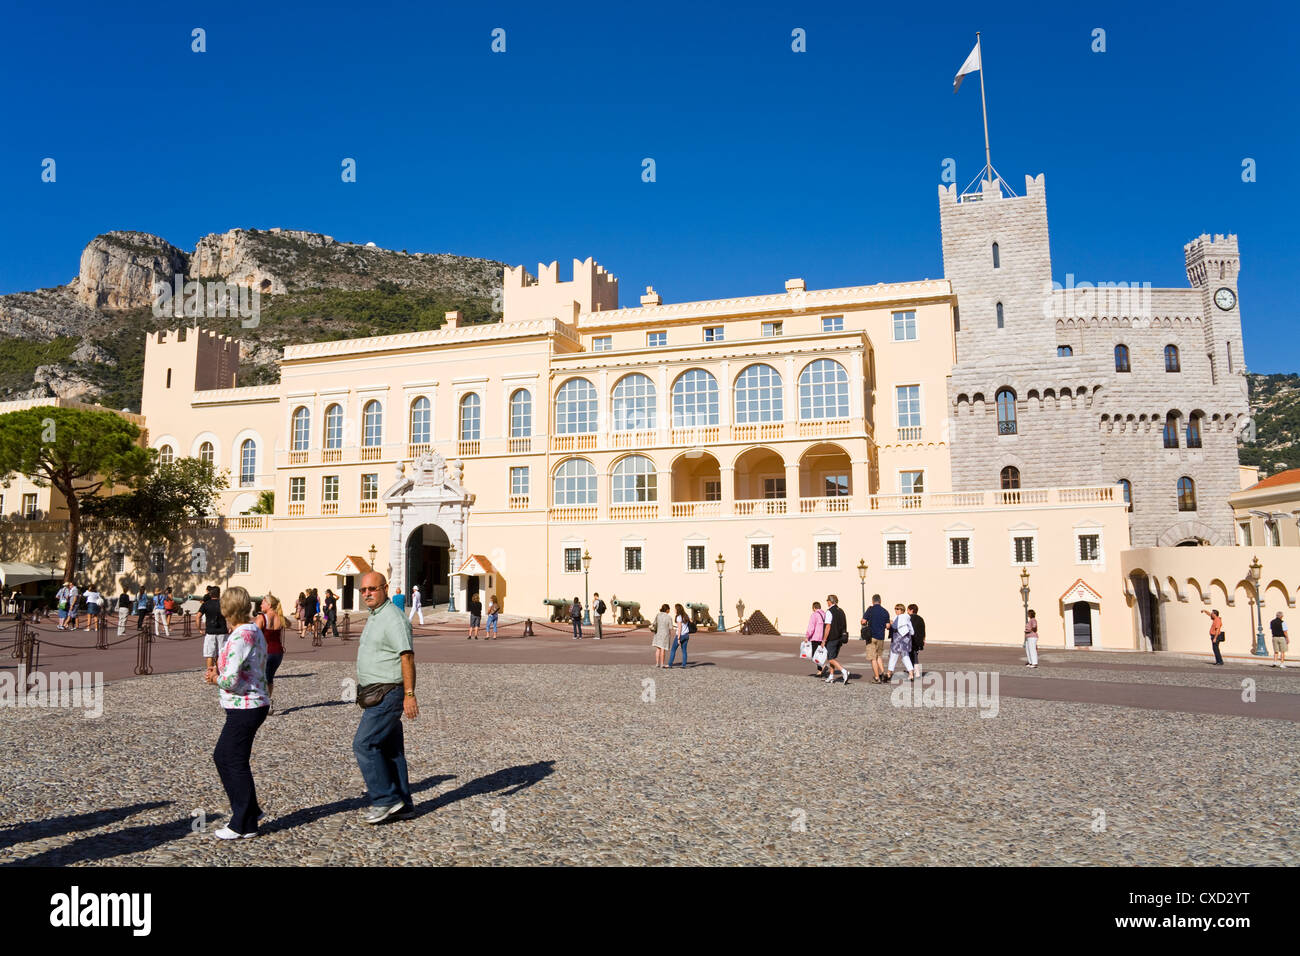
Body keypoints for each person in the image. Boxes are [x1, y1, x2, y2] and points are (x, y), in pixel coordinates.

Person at [204, 584, 269, 839]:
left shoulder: (242, 634)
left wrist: (215, 679)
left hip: (246, 705)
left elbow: (231, 680)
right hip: (252, 703)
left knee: (227, 758)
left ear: (226, 609)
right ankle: (251, 812)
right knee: (232, 758)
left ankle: (243, 823)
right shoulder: (254, 629)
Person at [353, 571, 417, 824]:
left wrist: (410, 694)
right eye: (363, 590)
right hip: (377, 692)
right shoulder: (376, 615)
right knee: (391, 750)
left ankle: (386, 799)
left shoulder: (393, 618)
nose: (367, 593)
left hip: (388, 692)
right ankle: (404, 804)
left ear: (385, 588)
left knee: (364, 744)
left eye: (372, 589)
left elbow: (407, 656)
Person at [255, 593, 286, 704]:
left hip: (266, 651)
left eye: (263, 603)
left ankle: (262, 702)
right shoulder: (280, 617)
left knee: (259, 677)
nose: (260, 605)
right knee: (269, 677)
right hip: (278, 652)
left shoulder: (261, 617)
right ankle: (268, 701)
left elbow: (255, 635)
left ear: (269, 604)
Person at [822, 594, 851, 685]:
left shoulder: (829, 611)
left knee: (830, 659)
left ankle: (844, 671)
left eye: (827, 600)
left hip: (832, 638)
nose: (827, 602)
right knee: (832, 657)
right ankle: (831, 676)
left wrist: (824, 640)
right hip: (840, 637)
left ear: (830, 601)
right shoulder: (841, 611)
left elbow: (828, 627)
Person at [862, 594, 890, 684]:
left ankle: (877, 678)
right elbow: (888, 626)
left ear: (872, 601)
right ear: (880, 601)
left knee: (873, 658)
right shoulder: (885, 611)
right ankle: (883, 673)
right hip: (881, 637)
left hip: (871, 637)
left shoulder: (870, 610)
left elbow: (863, 621)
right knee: (879, 656)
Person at [885, 603, 917, 682]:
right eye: (895, 609)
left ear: (902, 610)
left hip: (898, 639)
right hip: (906, 639)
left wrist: (891, 623)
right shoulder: (907, 617)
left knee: (893, 656)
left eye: (898, 609)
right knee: (905, 656)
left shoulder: (899, 617)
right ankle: (911, 673)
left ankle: (889, 673)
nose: (896, 610)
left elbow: (895, 626)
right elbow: (912, 630)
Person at [201, 586, 228, 675]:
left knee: (210, 655)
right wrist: (230, 626)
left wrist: (199, 628)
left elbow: (198, 616)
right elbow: (229, 615)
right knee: (221, 654)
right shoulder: (224, 604)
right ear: (219, 594)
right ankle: (220, 673)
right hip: (222, 631)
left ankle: (210, 674)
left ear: (210, 594)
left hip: (210, 631)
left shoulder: (206, 604)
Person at [806, 601, 826, 676]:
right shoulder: (824, 614)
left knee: (814, 655)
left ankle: (822, 667)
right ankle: (820, 671)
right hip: (823, 638)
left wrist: (807, 636)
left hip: (815, 638)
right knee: (819, 654)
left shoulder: (814, 615)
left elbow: (811, 627)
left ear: (814, 608)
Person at [669, 603, 691, 668]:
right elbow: (691, 621)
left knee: (673, 649)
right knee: (684, 650)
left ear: (677, 609)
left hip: (680, 635)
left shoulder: (679, 617)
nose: (674, 610)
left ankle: (670, 664)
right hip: (686, 635)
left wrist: (678, 638)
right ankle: (684, 665)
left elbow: (679, 628)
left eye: (675, 609)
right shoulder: (686, 616)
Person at [652, 603, 673, 668]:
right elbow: (670, 627)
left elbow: (654, 623)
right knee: (663, 649)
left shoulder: (658, 615)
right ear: (667, 609)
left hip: (658, 633)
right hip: (665, 634)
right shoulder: (669, 617)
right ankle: (662, 664)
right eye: (669, 609)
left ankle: (657, 663)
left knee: (658, 648)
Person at [908, 603, 926, 672]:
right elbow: (923, 630)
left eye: (908, 610)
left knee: (912, 656)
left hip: (912, 640)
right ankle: (914, 670)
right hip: (919, 641)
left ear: (911, 610)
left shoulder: (910, 618)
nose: (907, 612)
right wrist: (923, 639)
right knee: (915, 655)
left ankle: (915, 671)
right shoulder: (921, 619)